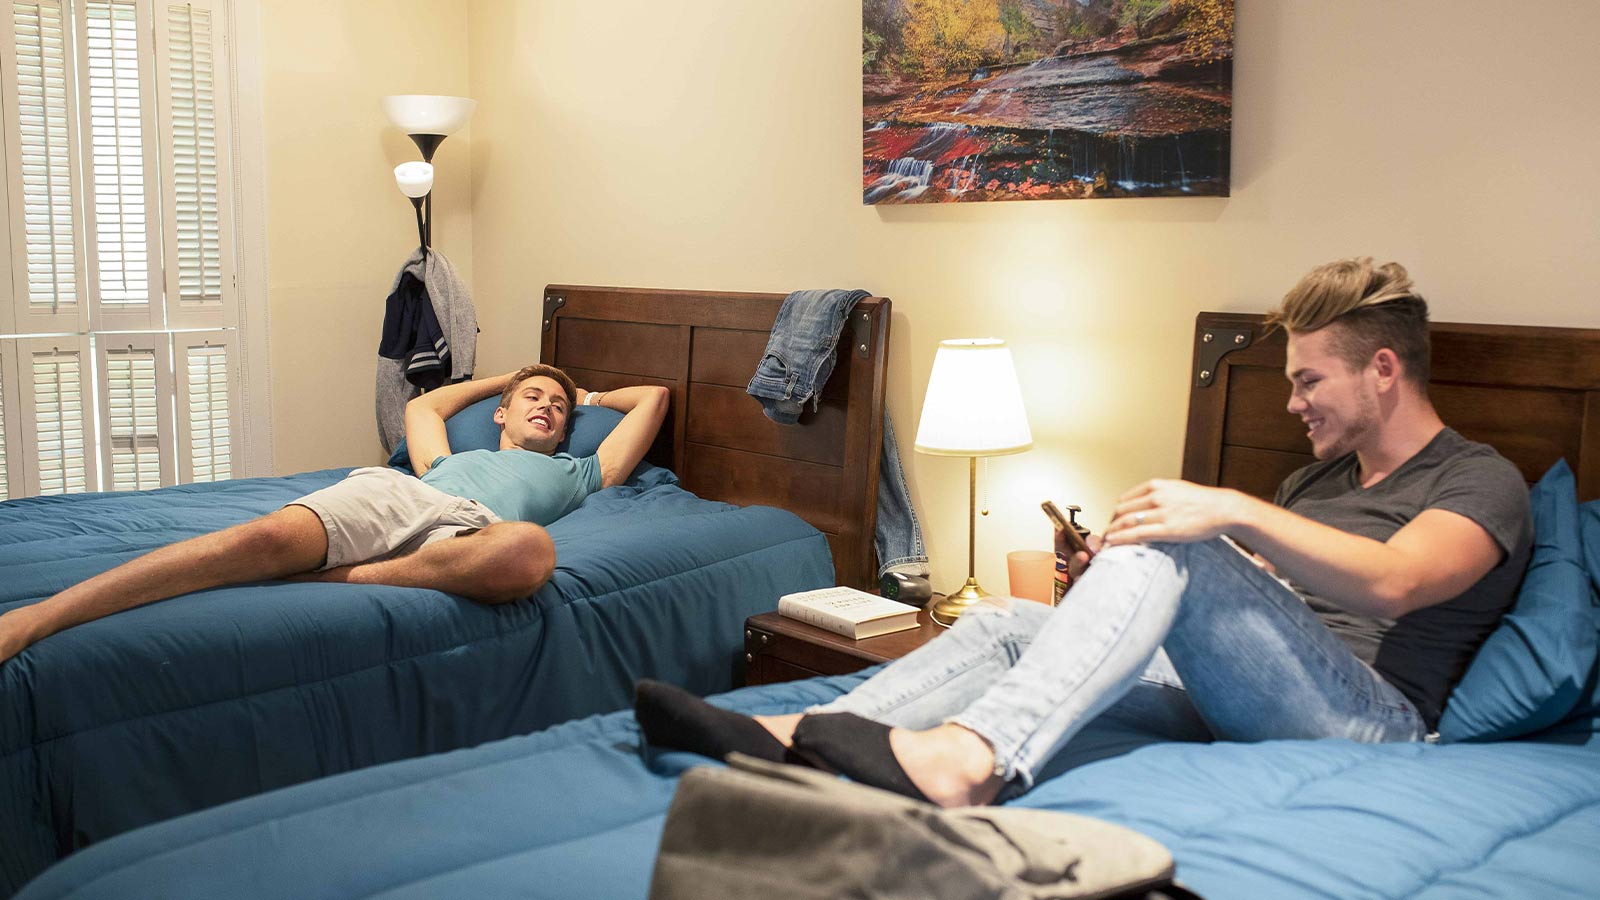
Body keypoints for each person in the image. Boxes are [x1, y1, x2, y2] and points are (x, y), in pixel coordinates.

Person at [635, 258, 1533, 808]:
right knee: (1007, 625)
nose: (1293, 404)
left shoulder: (1476, 478)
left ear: (1383, 370)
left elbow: (1396, 582)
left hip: (1366, 721)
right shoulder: (1317, 480)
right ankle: (796, 735)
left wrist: (1223, 513)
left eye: (1309, 383)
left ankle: (970, 760)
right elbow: (1246, 605)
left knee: (1180, 533)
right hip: (1244, 696)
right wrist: (1109, 578)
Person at [0, 364, 669, 665]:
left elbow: (655, 398)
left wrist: (590, 394)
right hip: (405, 496)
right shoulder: (439, 456)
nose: (546, 407)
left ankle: (330, 580)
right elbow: (426, 407)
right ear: (500, 413)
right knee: (264, 535)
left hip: (474, 528)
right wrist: (505, 378)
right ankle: (41, 617)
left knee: (529, 554)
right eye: (532, 397)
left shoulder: (579, 471)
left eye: (557, 407)